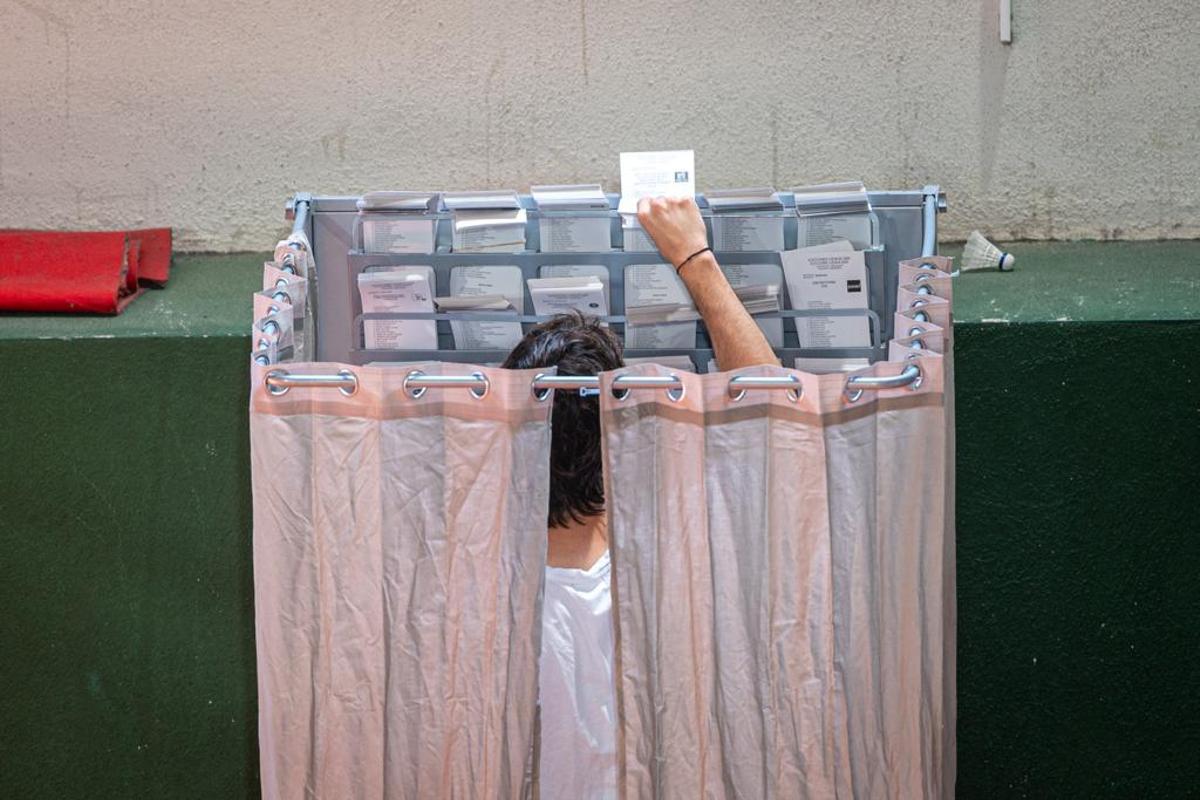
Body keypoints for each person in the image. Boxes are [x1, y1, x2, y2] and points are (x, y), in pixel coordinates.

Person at [501, 196, 777, 797]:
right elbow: (770, 413)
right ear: (616, 433)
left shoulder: (481, 591)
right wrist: (693, 258)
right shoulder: (674, 561)